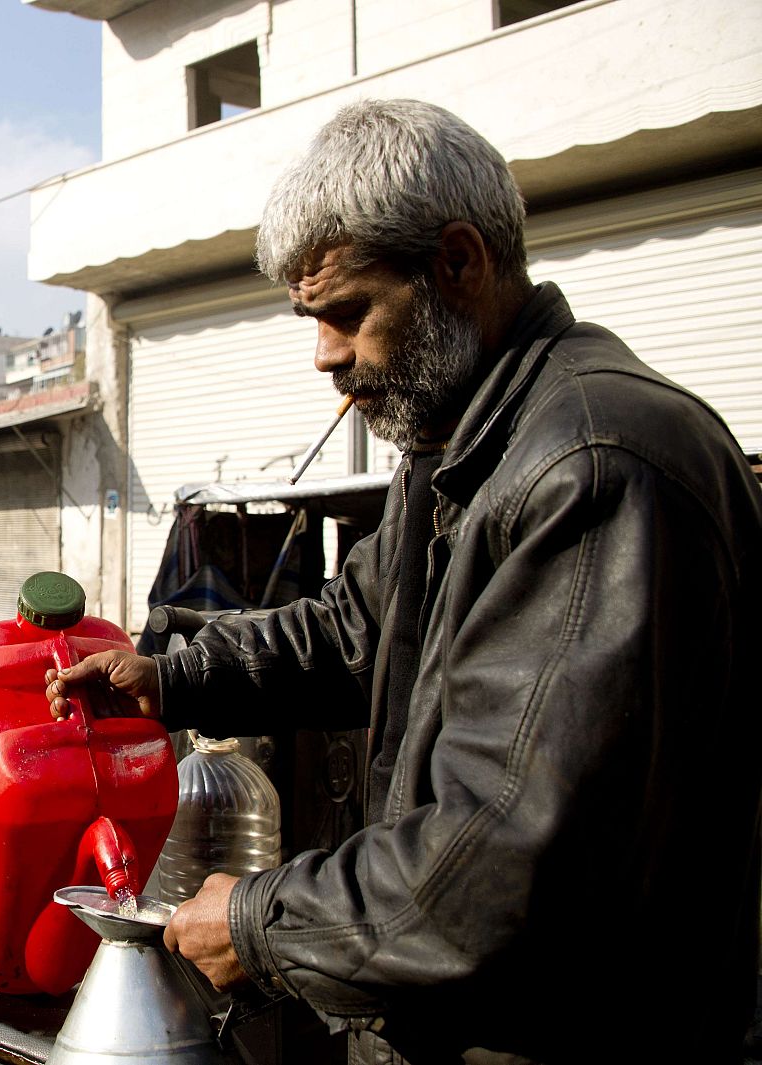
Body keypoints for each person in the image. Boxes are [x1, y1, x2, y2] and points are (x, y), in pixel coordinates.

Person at [47, 100, 762, 1064]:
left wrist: (259, 921)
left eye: (348, 313)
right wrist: (171, 676)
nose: (326, 357)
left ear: (459, 263)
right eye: (313, 320)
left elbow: (497, 862)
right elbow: (360, 626)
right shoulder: (462, 441)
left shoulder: (591, 468)